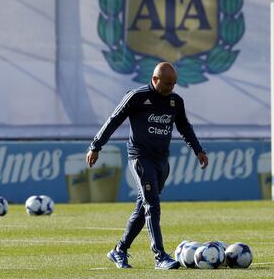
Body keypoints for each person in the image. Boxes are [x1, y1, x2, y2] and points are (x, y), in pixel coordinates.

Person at [86, 62, 208, 270]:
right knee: (152, 205)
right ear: (154, 79)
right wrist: (96, 145)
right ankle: (160, 256)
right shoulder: (137, 96)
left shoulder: (175, 101)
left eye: (174, 83)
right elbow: (114, 120)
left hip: (162, 160)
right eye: (168, 83)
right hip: (141, 158)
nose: (171, 87)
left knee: (144, 208)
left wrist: (198, 150)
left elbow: (185, 127)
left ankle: (119, 250)